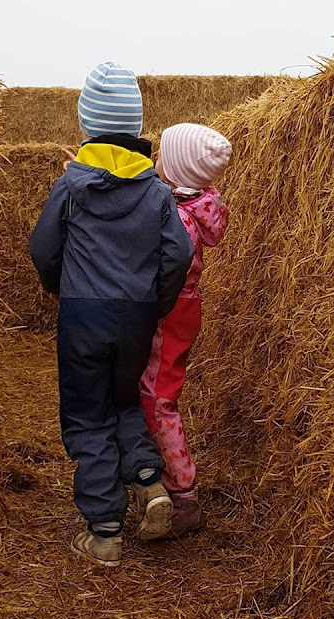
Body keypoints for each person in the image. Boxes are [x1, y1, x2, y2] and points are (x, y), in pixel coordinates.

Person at [30, 62, 194, 567]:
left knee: (88, 415)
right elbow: (180, 254)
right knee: (125, 404)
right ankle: (149, 482)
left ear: (86, 126)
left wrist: (58, 285)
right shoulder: (155, 191)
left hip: (83, 314)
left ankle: (104, 531)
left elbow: (43, 247)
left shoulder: (72, 187)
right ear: (137, 125)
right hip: (136, 316)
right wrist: (157, 302)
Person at [140, 123, 232, 537]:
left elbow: (162, 265)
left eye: (163, 154)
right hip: (184, 306)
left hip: (171, 308)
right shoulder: (198, 206)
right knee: (157, 390)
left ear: (175, 168)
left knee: (159, 399)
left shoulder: (178, 217)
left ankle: (183, 494)